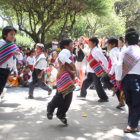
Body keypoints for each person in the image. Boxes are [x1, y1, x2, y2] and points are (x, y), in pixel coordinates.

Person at [47, 38, 76, 125]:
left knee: (67, 97)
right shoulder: (65, 51)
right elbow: (62, 57)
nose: (73, 46)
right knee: (61, 95)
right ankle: (52, 108)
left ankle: (60, 113)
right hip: (64, 76)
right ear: (66, 45)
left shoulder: (68, 52)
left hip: (66, 76)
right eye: (72, 44)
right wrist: (72, 64)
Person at [116, 30, 140, 133]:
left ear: (126, 41)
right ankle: (132, 125)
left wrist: (117, 79)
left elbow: (119, 65)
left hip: (126, 79)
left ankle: (131, 122)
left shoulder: (124, 51)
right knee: (137, 103)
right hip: (138, 79)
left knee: (130, 102)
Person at [78, 37, 109, 102]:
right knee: (85, 82)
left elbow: (104, 59)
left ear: (94, 43)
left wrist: (108, 69)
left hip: (95, 71)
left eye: (90, 43)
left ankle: (104, 98)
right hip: (90, 70)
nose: (88, 44)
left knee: (98, 85)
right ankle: (82, 94)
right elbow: (87, 55)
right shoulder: (90, 50)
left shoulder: (97, 50)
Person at [101, 37, 125, 108]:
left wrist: (111, 73)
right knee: (117, 86)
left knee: (103, 79)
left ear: (113, 44)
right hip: (117, 71)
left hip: (114, 71)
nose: (107, 46)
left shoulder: (113, 51)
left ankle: (114, 89)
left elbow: (115, 63)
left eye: (108, 45)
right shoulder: (118, 50)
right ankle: (121, 102)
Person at [0, 26, 23, 98]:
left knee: (1, 88)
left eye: (14, 34)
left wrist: (17, 53)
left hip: (7, 70)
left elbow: (20, 57)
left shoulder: (13, 46)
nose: (13, 36)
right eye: (11, 34)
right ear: (5, 35)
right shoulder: (1, 43)